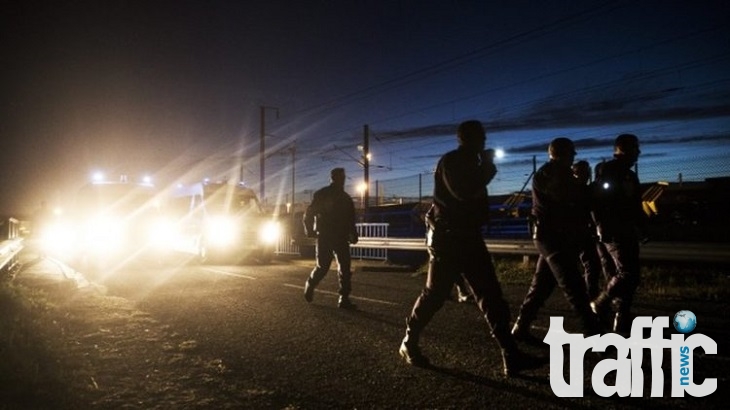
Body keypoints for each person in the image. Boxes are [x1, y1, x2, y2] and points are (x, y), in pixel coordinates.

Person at [398, 120, 535, 377]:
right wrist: (487, 167)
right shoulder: (453, 161)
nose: (484, 141)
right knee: (436, 294)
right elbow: (463, 191)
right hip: (449, 239)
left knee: (490, 295)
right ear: (470, 138)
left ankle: (510, 354)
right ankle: (409, 341)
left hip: (467, 237)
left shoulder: (470, 162)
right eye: (481, 137)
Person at [511, 138, 601, 344]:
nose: (573, 158)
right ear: (565, 154)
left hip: (555, 237)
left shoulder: (554, 173)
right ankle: (594, 336)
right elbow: (568, 198)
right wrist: (584, 185)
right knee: (574, 286)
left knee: (541, 285)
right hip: (553, 237)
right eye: (572, 154)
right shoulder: (550, 174)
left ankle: (520, 327)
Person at [590, 134, 648, 334]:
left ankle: (621, 318)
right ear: (622, 149)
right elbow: (597, 201)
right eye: (635, 148)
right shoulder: (607, 170)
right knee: (627, 273)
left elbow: (635, 205)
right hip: (612, 231)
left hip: (625, 230)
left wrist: (643, 227)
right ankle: (601, 304)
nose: (638, 153)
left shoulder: (630, 176)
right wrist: (600, 226)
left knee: (627, 276)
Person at [302, 167, 359, 310]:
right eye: (341, 177)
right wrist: (309, 229)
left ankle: (343, 298)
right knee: (328, 267)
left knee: (342, 267)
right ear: (334, 178)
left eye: (343, 177)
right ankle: (312, 284)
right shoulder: (331, 196)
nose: (342, 180)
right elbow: (309, 214)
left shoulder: (340, 197)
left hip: (334, 236)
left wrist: (353, 233)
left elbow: (350, 219)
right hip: (328, 236)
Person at [572, 160, 605, 299]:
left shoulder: (584, 189)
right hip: (577, 233)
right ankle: (589, 297)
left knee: (591, 265)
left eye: (587, 172)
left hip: (583, 233)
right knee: (591, 265)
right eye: (583, 172)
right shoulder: (575, 191)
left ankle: (589, 295)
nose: (586, 175)